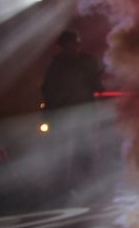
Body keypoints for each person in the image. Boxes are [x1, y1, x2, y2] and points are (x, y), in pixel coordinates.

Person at [41, 29, 103, 193]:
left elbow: (97, 85)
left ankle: (85, 186)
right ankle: (63, 186)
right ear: (64, 46)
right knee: (63, 152)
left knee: (83, 150)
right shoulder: (57, 65)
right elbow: (47, 89)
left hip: (82, 114)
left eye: (76, 44)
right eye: (71, 44)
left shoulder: (86, 62)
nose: (75, 47)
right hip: (64, 115)